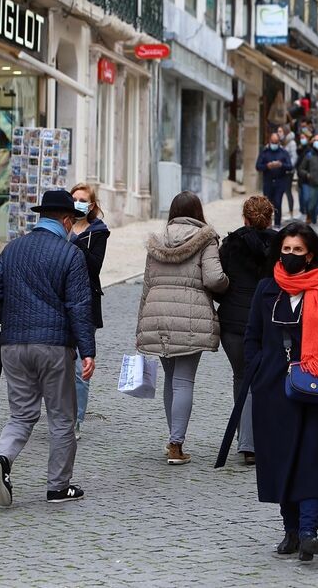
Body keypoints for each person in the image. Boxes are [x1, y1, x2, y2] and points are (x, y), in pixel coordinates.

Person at [245, 222, 318, 561]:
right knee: (281, 460)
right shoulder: (266, 288)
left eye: (298, 251)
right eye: (286, 249)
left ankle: (308, 531)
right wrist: (259, 371)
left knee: (312, 458)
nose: (290, 255)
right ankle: (290, 529)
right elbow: (252, 337)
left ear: (310, 255)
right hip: (273, 391)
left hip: (317, 388)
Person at [0, 190, 95, 506]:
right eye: (72, 222)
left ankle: (2, 458)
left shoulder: (13, 248)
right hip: (54, 347)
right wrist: (87, 350)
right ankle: (58, 487)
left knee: (21, 414)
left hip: (13, 346)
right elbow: (79, 306)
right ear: (66, 220)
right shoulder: (70, 254)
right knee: (61, 418)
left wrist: (13, 321)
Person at [137, 191, 229, 465]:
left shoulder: (157, 240)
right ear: (198, 211)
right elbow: (214, 279)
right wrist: (227, 284)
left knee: (171, 378)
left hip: (157, 315)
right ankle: (176, 444)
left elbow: (147, 285)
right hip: (191, 316)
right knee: (184, 380)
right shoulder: (206, 239)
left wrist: (142, 323)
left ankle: (173, 439)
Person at [216, 196, 277, 465]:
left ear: (245, 218)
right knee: (266, 378)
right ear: (270, 218)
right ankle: (258, 439)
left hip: (233, 321)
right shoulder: (280, 244)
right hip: (268, 319)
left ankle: (247, 440)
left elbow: (218, 281)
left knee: (241, 377)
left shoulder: (231, 244)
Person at [69, 183, 110, 440]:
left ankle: (75, 420)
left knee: (79, 368)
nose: (78, 203)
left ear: (92, 205)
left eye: (82, 200)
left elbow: (94, 267)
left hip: (86, 303)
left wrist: (76, 242)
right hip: (58, 303)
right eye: (74, 198)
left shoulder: (99, 233)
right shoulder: (59, 227)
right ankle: (61, 414)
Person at [256, 133, 293, 227]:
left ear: (279, 142)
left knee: (277, 202)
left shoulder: (284, 152)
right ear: (269, 141)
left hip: (280, 182)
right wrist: (267, 166)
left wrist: (281, 165)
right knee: (267, 205)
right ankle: (267, 224)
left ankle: (277, 224)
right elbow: (258, 166)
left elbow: (290, 166)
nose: (274, 144)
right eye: (272, 142)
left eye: (276, 142)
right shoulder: (264, 152)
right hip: (268, 182)